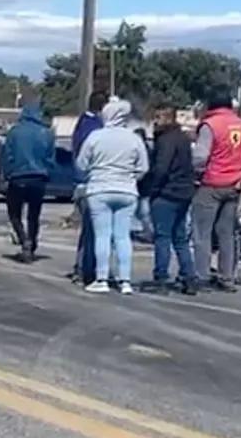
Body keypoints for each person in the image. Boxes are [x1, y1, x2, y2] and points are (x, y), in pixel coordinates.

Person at [75, 97, 149, 294]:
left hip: (99, 189)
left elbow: (81, 163)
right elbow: (143, 167)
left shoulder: (95, 137)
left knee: (103, 235)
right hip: (127, 190)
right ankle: (125, 280)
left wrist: (94, 171)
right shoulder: (134, 139)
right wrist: (131, 177)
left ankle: (102, 278)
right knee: (123, 236)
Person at [191, 91, 241, 292]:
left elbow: (200, 157)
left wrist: (196, 173)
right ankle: (227, 276)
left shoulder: (211, 125)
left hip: (211, 183)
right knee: (227, 233)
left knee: (202, 233)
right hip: (234, 184)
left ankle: (201, 275)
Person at [140, 106, 199, 294]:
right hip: (184, 192)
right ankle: (189, 276)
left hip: (167, 192)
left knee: (163, 236)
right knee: (180, 237)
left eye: (158, 117)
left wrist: (153, 190)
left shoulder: (166, 140)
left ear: (168, 118)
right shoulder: (183, 138)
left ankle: (161, 277)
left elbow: (161, 168)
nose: (155, 121)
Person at [0, 101, 53, 263]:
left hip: (18, 176)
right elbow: (50, 158)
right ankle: (32, 241)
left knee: (14, 213)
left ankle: (24, 240)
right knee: (34, 215)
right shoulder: (47, 133)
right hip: (39, 177)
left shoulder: (14, 132)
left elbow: (7, 155)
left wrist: (7, 174)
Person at [70, 91, 109, 284]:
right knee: (92, 231)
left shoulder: (84, 124)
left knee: (90, 230)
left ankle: (83, 268)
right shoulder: (93, 128)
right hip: (89, 182)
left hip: (84, 182)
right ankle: (87, 270)